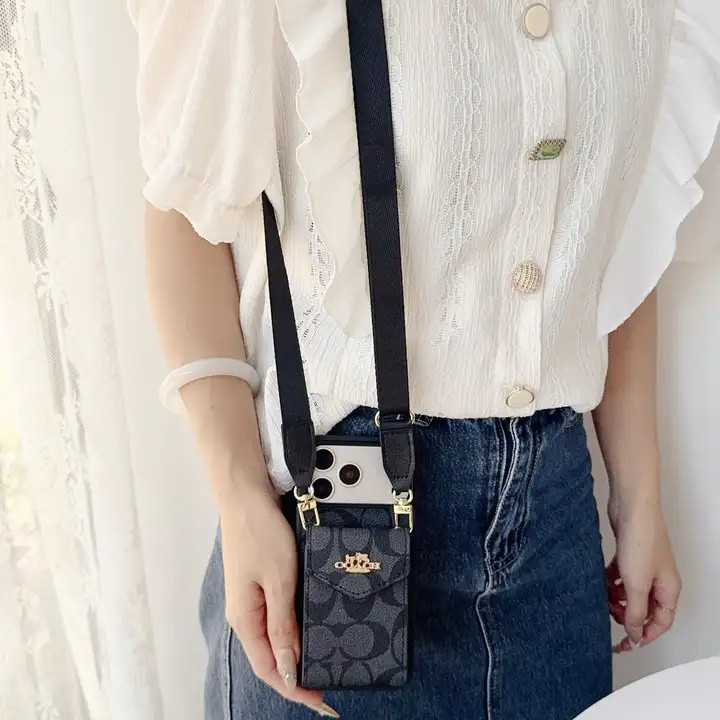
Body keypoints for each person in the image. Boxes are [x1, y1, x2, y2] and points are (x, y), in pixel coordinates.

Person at [129, 1, 718, 718]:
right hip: (338, 509)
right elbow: (185, 208)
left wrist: (639, 497)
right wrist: (240, 498)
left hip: (555, 522)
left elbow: (617, 249)